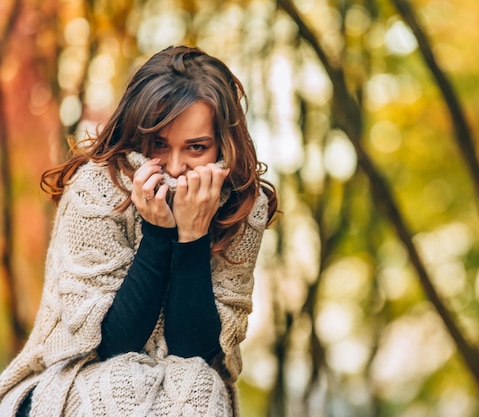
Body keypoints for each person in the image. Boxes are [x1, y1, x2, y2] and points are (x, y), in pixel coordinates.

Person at [0, 45, 277, 417]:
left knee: (200, 387)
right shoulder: (96, 189)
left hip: (176, 383)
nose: (175, 167)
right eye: (159, 145)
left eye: (196, 147)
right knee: (122, 387)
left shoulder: (242, 205)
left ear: (222, 146)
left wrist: (193, 236)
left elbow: (196, 350)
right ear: (138, 136)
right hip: (72, 378)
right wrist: (158, 232)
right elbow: (110, 343)